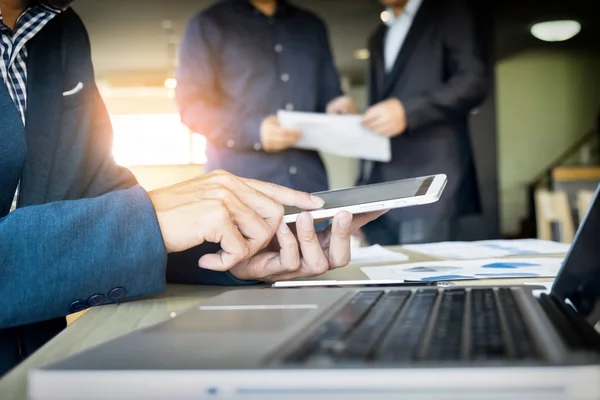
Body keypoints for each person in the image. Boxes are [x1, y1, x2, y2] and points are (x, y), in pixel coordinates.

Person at [0, 0, 381, 376]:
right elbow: (190, 109)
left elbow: (97, 185)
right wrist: (145, 223)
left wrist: (240, 252)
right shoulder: (209, 24)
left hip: (37, 361)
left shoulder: (59, 26)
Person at [175, 0, 356, 195]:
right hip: (240, 188)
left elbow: (330, 95)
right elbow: (191, 108)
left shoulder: (312, 25)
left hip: (309, 184)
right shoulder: (208, 24)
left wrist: (337, 107)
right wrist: (255, 131)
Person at [358, 0, 487, 246]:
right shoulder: (379, 35)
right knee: (380, 277)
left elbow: (473, 83)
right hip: (381, 187)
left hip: (429, 179)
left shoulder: (449, 13)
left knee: (422, 278)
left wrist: (408, 111)